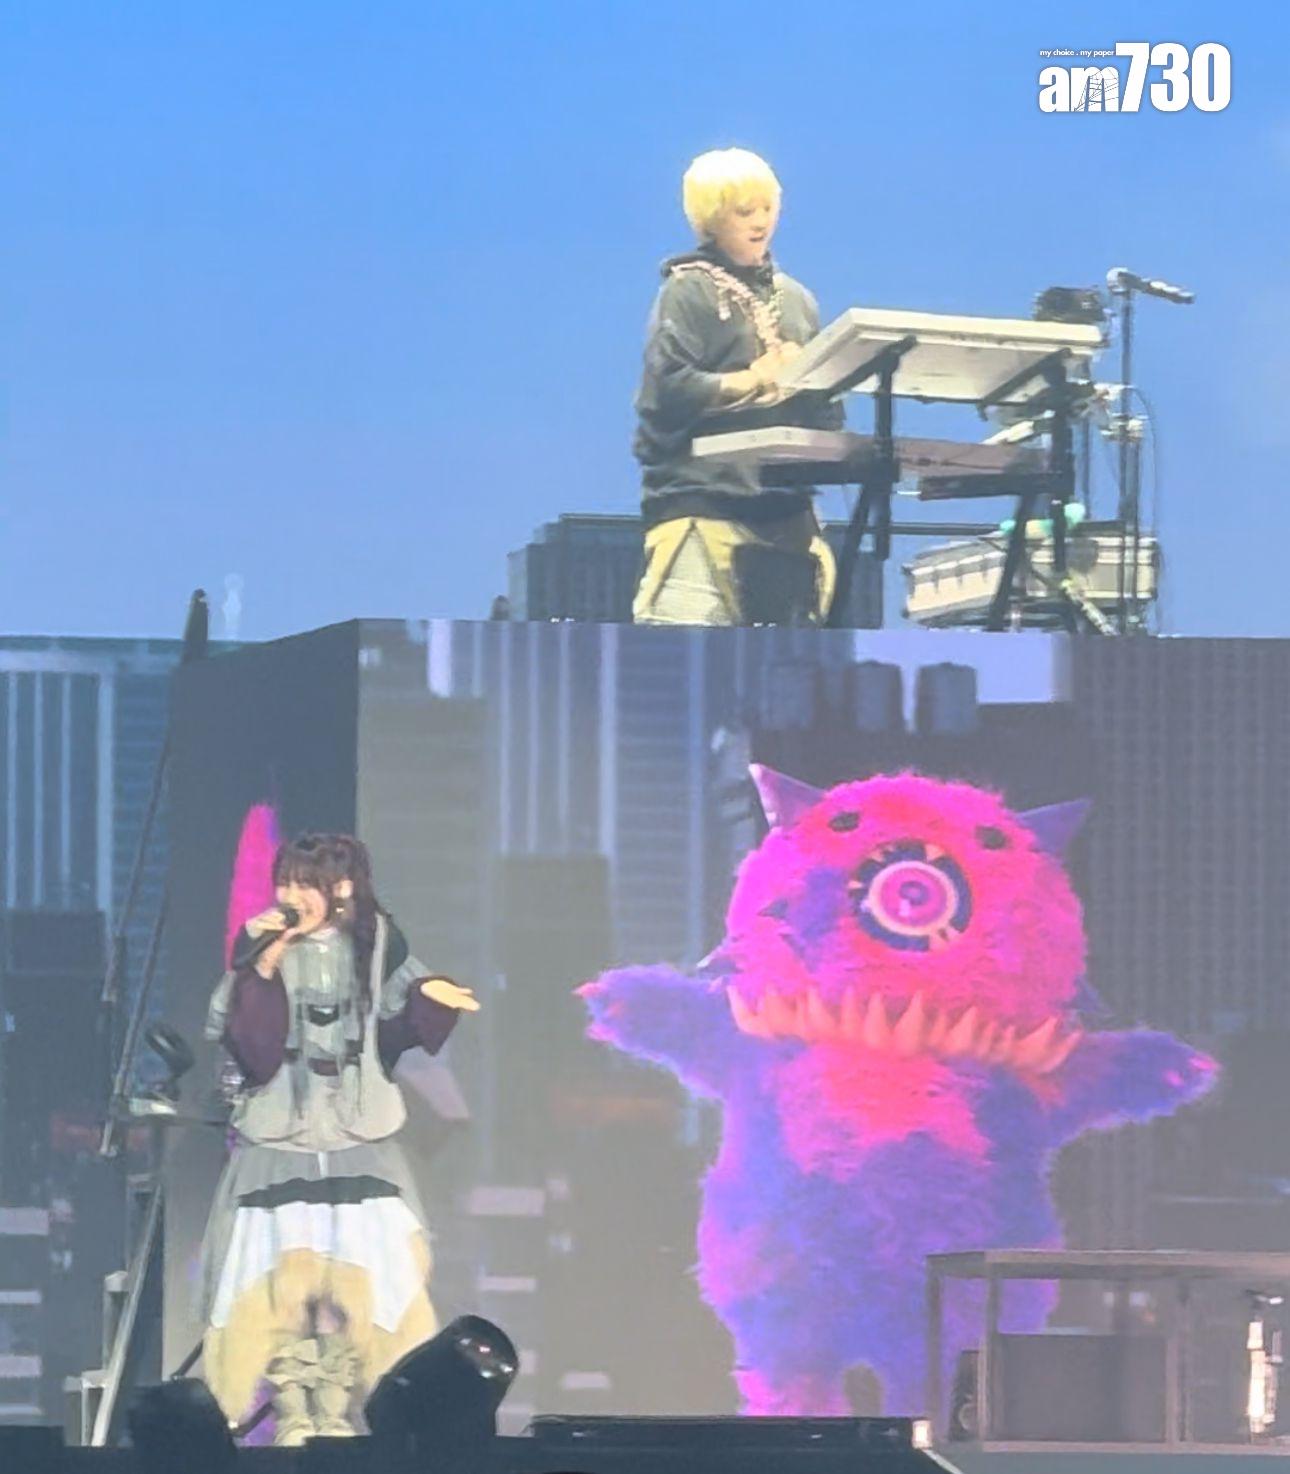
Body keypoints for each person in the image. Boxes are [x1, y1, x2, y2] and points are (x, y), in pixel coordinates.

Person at [200, 832, 479, 1445]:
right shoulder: (262, 944)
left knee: (363, 1278)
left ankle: (334, 1411)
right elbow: (231, 1025)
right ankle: (293, 1411)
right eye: (286, 881)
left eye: (307, 883)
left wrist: (432, 999)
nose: (291, 895)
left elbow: (399, 1015)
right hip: (282, 1136)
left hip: (357, 1133)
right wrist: (266, 960)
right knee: (276, 1281)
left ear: (343, 887)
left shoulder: (377, 946)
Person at [632, 147, 845, 627]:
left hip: (789, 519)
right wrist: (754, 380)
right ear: (711, 220)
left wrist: (816, 383)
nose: (760, 221)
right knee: (686, 659)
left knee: (788, 666)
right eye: (743, 211)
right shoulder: (686, 291)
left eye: (767, 208)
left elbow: (827, 414)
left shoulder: (799, 301)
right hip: (702, 509)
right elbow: (665, 391)